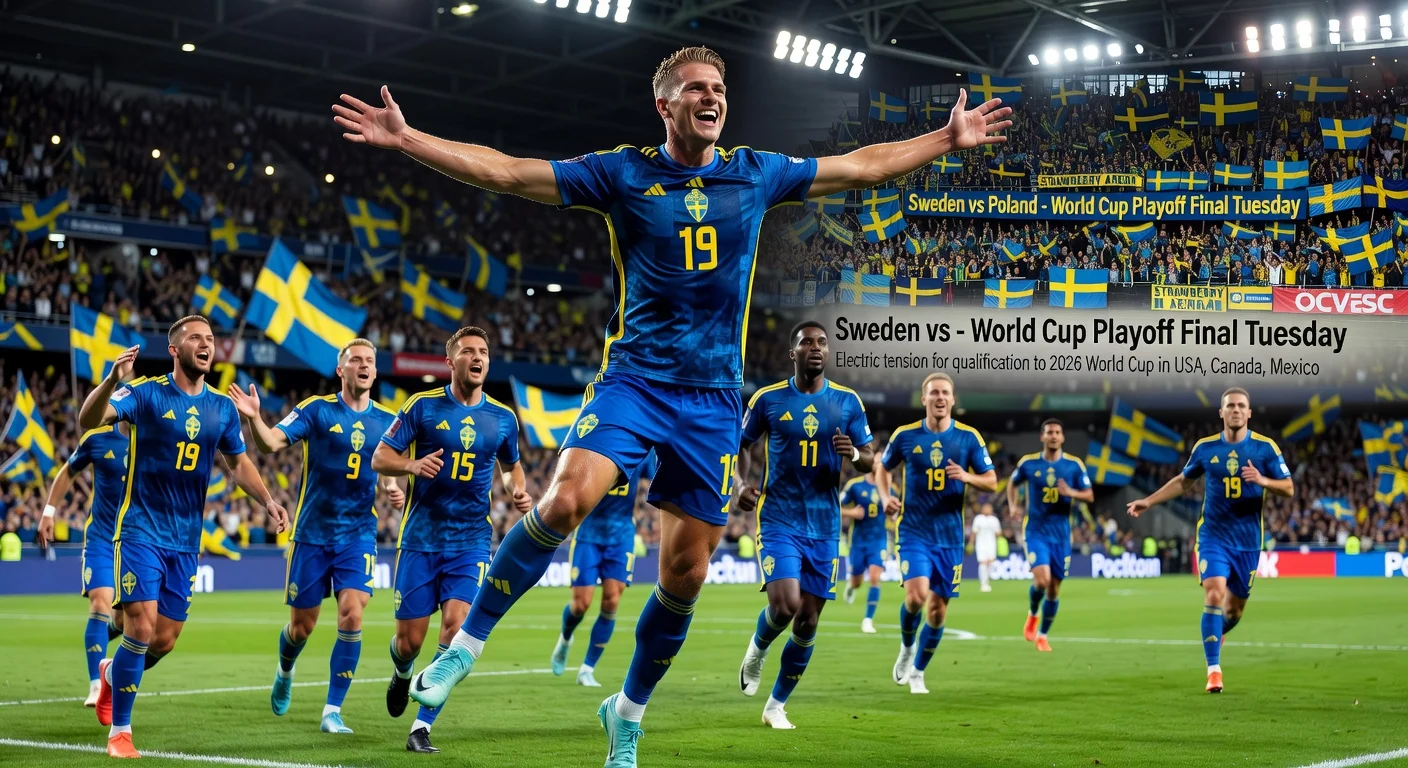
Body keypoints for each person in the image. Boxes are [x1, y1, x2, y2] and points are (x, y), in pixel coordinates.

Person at [334, 46, 1009, 766]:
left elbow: (861, 165)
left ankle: (625, 713)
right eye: (695, 89)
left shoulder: (755, 173)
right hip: (633, 382)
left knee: (683, 577)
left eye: (719, 88)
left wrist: (945, 139)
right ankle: (464, 651)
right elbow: (509, 171)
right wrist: (408, 139)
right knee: (564, 500)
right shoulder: (622, 172)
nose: (711, 97)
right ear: (665, 105)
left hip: (714, 400)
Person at [76, 316, 288, 758]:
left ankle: (113, 674)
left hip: (185, 540)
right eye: (196, 339)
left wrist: (267, 499)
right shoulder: (146, 392)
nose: (206, 344)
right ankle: (121, 732)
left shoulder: (221, 407)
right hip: (139, 530)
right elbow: (88, 419)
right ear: (175, 349)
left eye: (211, 339)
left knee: (165, 639)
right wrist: (111, 379)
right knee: (141, 625)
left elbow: (239, 463)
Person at [370, 327, 534, 753]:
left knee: (457, 628)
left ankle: (421, 727)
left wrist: (516, 487)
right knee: (409, 641)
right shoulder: (422, 407)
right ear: (451, 362)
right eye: (467, 351)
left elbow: (512, 466)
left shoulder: (503, 418)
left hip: (471, 541)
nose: (477, 357)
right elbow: (380, 456)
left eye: (483, 352)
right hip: (421, 539)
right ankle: (403, 672)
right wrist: (411, 464)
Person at [228, 339, 402, 734]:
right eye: (355, 360)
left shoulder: (388, 421)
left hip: (358, 535)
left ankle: (332, 710)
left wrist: (393, 485)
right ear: (341, 370)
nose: (363, 365)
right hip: (311, 535)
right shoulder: (316, 410)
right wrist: (255, 418)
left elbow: (388, 463)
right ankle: (285, 668)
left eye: (369, 361)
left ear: (375, 372)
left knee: (352, 614)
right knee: (301, 627)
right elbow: (271, 444)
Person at [734, 322, 873, 728]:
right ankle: (758, 649)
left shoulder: (848, 402)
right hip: (779, 517)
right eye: (806, 343)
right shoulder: (768, 399)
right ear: (792, 353)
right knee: (785, 604)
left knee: (808, 620)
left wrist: (856, 457)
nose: (815, 348)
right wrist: (741, 483)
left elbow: (871, 458)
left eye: (822, 343)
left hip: (826, 524)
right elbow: (742, 445)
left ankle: (776, 705)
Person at [1127, 387, 1293, 694]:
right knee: (1214, 594)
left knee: (1234, 611)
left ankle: (1217, 631)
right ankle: (1214, 670)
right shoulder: (1205, 448)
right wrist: (1149, 501)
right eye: (1230, 405)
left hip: (1247, 541)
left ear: (1249, 413)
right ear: (1221, 412)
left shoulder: (1265, 449)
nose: (1236, 410)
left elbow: (1288, 487)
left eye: (1241, 405)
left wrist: (1263, 480)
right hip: (1213, 536)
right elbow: (1183, 481)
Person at [876, 373, 996, 694]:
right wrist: (886, 496)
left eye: (945, 393)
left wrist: (968, 477)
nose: (940, 398)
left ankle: (918, 672)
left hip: (949, 537)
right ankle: (906, 647)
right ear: (924, 399)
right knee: (916, 597)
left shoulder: (969, 438)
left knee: (937, 610)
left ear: (953, 400)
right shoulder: (905, 436)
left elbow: (993, 480)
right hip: (914, 532)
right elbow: (883, 468)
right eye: (934, 393)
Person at [37, 412, 137, 707]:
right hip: (101, 540)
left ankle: (102, 649)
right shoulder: (97, 438)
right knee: (100, 602)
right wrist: (49, 512)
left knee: (124, 621)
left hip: (135, 544)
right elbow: (68, 471)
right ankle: (96, 684)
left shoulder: (154, 443)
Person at [551, 451, 659, 688]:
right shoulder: (598, 445)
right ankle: (565, 638)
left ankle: (587, 669)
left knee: (611, 601)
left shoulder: (644, 450)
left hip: (621, 534)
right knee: (581, 603)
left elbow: (653, 479)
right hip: (589, 532)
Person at [1006, 419, 1092, 650]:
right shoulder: (1028, 464)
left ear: (1062, 437)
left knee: (1054, 587)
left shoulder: (1074, 466)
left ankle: (1043, 635)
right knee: (1042, 580)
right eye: (1049, 432)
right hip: (1035, 531)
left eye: (1057, 432)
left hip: (1062, 534)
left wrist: (1071, 492)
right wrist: (1013, 506)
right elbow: (1012, 484)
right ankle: (1033, 613)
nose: (1053, 436)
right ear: (1042, 437)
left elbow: (1089, 495)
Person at [841, 469, 890, 632]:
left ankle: (868, 619)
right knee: (857, 582)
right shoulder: (854, 485)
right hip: (858, 541)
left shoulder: (888, 486)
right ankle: (851, 585)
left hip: (878, 541)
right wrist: (851, 512)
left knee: (875, 577)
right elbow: (835, 505)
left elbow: (896, 508)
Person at [970, 503, 1002, 593]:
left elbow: (998, 533)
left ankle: (987, 582)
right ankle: (983, 584)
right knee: (983, 563)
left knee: (990, 563)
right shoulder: (978, 519)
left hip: (991, 544)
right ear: (982, 509)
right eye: (986, 508)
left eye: (989, 508)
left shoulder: (994, 520)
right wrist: (971, 543)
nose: (987, 510)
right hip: (981, 544)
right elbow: (974, 532)